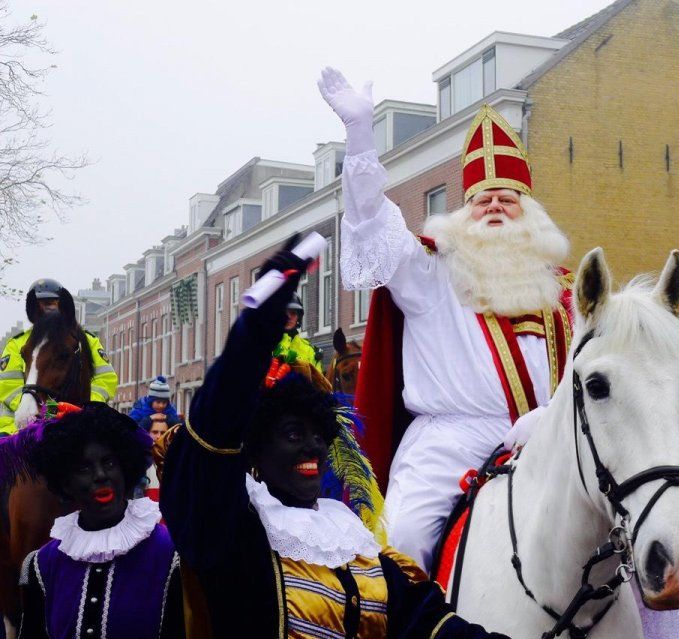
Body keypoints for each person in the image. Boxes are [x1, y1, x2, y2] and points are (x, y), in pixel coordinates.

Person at [160, 240, 510, 638]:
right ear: (256, 450)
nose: (312, 446)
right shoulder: (233, 535)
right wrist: (255, 332)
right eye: (293, 434)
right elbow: (214, 428)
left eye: (318, 435)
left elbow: (429, 624)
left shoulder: (354, 542)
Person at [319, 68, 574, 571]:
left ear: (530, 212)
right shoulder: (431, 270)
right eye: (483, 201)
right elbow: (372, 224)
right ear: (464, 211)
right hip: (449, 442)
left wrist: (552, 416)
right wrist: (361, 138)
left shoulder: (563, 291)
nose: (496, 209)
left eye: (508, 200)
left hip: (548, 434)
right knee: (405, 539)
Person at [0, 402, 183, 638]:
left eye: (109, 463)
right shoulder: (43, 565)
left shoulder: (170, 555)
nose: (100, 475)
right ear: (66, 483)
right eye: (85, 468)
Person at [0, 279, 117, 434]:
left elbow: (105, 379)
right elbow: (8, 385)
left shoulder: (87, 340)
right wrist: (44, 410)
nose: (46, 307)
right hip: (19, 427)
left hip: (80, 419)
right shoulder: (17, 343)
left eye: (51, 302)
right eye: (40, 303)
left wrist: (85, 408)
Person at [277, 292, 318, 366]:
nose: (288, 317)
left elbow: (317, 377)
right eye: (283, 313)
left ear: (298, 318)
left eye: (293, 313)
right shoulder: (264, 346)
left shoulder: (309, 351)